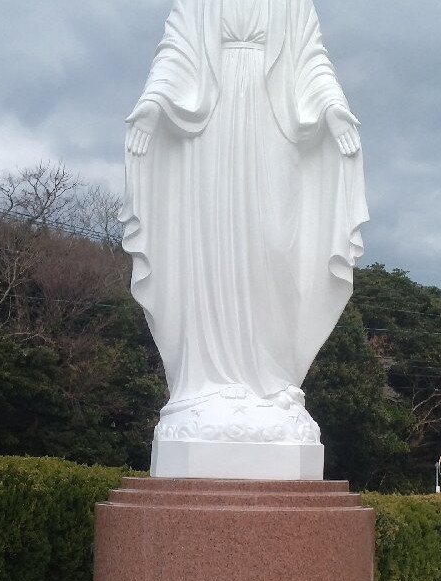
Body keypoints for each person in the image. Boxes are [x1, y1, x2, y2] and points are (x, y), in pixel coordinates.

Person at [120, 0, 368, 456]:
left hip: (274, 128)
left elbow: (312, 59)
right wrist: (154, 102)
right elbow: (176, 49)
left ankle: (272, 382)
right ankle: (205, 385)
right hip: (209, 129)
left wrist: (332, 107)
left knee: (273, 249)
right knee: (212, 249)